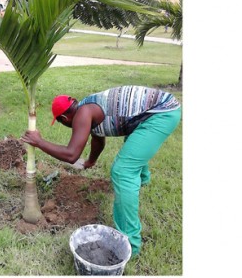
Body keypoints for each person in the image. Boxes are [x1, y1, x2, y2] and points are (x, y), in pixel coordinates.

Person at [21, 85, 181, 257]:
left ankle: (130, 244)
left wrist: (39, 142)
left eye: (60, 122)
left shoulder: (82, 114)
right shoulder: (89, 109)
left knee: (123, 171)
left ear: (64, 118)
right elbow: (98, 140)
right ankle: (143, 180)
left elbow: (71, 155)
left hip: (161, 113)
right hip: (154, 110)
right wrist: (91, 161)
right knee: (133, 144)